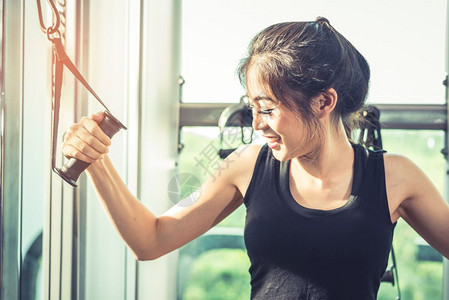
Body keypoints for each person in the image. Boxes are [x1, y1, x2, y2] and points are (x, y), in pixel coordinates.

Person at [62, 17, 449, 299]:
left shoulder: (395, 176)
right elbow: (152, 239)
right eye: (252, 109)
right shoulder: (245, 164)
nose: (258, 125)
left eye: (267, 109)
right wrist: (98, 160)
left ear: (324, 102)